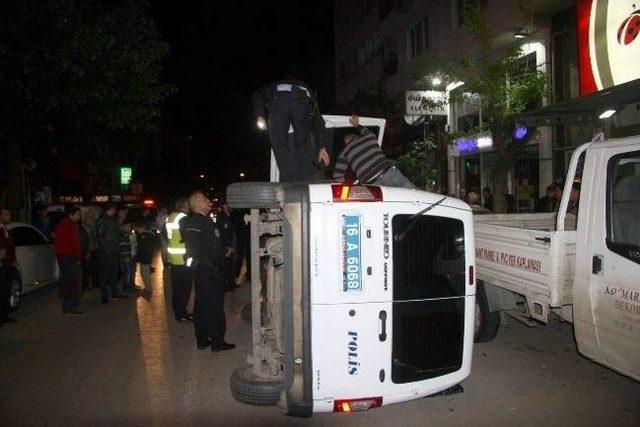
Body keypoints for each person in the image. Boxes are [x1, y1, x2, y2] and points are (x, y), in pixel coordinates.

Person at [181, 191, 235, 352]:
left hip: (201, 269)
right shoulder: (203, 222)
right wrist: (225, 252)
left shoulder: (192, 222)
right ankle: (218, 341)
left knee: (201, 305)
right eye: (205, 199)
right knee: (215, 306)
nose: (209, 201)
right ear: (198, 204)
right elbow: (212, 247)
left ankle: (202, 339)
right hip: (211, 269)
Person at [252, 79, 330, 182]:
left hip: (279, 100)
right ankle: (303, 180)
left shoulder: (271, 87)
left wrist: (260, 115)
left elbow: (257, 95)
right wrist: (322, 147)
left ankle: (290, 182)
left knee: (280, 144)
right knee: (303, 144)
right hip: (303, 99)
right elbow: (319, 123)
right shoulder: (311, 100)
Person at [333, 115, 416, 189]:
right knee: (413, 194)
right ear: (356, 135)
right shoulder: (369, 136)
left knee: (390, 205)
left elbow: (337, 176)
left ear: (345, 142)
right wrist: (356, 125)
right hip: (387, 172)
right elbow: (365, 130)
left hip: (372, 184)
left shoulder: (344, 152)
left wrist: (348, 188)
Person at [53, 205, 84, 315]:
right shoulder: (71, 226)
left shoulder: (61, 225)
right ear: (72, 215)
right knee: (75, 281)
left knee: (66, 281)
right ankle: (73, 306)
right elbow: (75, 243)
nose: (79, 217)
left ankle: (66, 306)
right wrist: (78, 258)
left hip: (62, 256)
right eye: (78, 215)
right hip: (70, 257)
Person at [166, 198, 193, 321]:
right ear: (184, 206)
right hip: (182, 258)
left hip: (173, 257)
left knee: (177, 287)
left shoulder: (170, 217)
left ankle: (178, 310)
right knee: (184, 287)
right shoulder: (182, 218)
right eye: (188, 205)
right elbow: (188, 236)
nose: (190, 207)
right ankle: (182, 313)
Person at [96, 203, 128, 303]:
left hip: (112, 250)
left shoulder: (109, 220)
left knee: (112, 273)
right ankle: (106, 295)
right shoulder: (104, 221)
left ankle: (113, 293)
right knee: (105, 274)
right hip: (107, 251)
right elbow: (100, 236)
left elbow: (115, 235)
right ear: (111, 209)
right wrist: (106, 247)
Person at [0, 207, 17, 324]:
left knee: (7, 290)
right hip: (2, 265)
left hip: (9, 264)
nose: (8, 217)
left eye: (9, 214)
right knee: (1, 291)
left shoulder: (7, 230)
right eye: (5, 215)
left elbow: (10, 249)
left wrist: (13, 261)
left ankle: (4, 316)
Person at [217, 204, 236, 292]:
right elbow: (222, 233)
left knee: (230, 266)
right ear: (224, 206)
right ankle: (225, 286)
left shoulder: (231, 216)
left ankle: (231, 285)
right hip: (225, 246)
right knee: (226, 267)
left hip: (231, 245)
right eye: (228, 205)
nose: (230, 207)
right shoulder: (221, 217)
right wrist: (226, 247)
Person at [116, 206, 135, 294]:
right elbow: (122, 247)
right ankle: (126, 287)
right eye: (127, 226)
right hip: (126, 256)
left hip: (130, 254)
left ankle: (130, 285)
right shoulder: (121, 235)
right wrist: (125, 256)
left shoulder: (127, 234)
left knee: (131, 270)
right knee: (126, 272)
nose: (129, 228)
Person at [79, 208, 99, 290]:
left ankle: (93, 283)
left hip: (94, 249)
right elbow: (84, 240)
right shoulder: (83, 228)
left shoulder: (92, 227)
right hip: (89, 250)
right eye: (90, 217)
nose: (92, 219)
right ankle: (87, 285)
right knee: (87, 269)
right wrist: (87, 251)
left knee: (93, 268)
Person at [133, 223, 155, 297]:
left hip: (145, 257)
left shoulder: (145, 235)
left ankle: (148, 288)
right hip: (145, 257)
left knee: (145, 273)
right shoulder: (148, 234)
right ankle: (147, 287)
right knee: (144, 272)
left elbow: (143, 246)